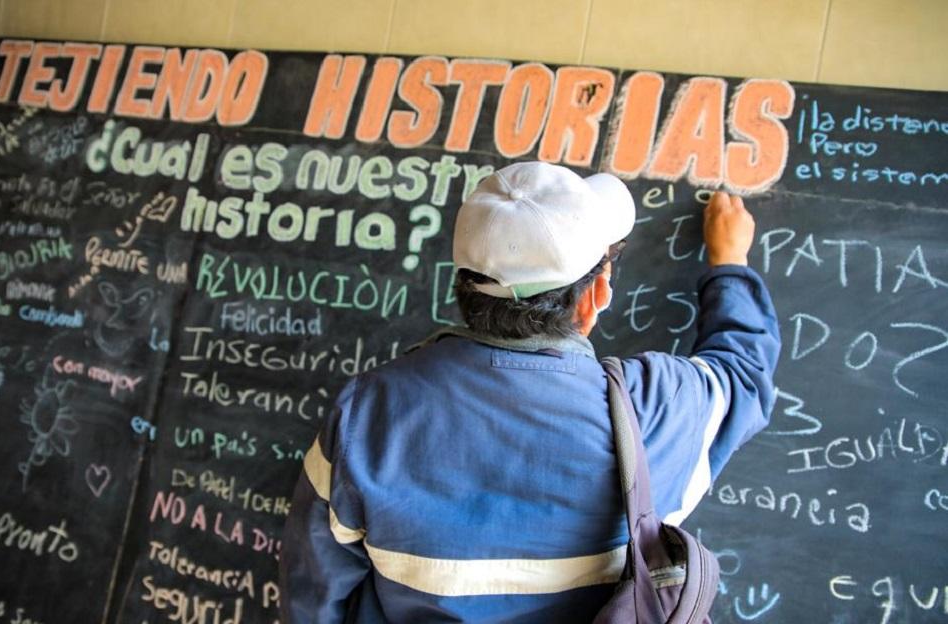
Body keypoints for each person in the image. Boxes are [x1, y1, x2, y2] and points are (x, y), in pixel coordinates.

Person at [279, 161, 780, 623]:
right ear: (594, 298)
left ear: (464, 287)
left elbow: (314, 594)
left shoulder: (367, 415)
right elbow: (744, 376)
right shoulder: (653, 408)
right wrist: (730, 262)